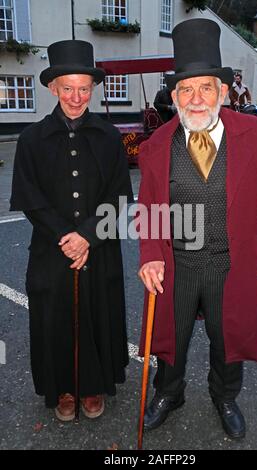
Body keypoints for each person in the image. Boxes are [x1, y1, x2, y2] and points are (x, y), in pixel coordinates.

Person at [137, 19, 257, 440]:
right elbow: (148, 208)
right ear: (174, 96)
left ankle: (225, 396)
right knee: (172, 339)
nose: (196, 98)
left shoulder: (256, 134)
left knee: (229, 339)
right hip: (178, 264)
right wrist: (150, 254)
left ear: (223, 92)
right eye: (186, 89)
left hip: (232, 262)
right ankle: (169, 393)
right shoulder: (155, 146)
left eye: (206, 87)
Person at [10, 40, 133, 421]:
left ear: (92, 89)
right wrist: (67, 237)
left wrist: (88, 236)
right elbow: (29, 198)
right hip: (51, 249)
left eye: (84, 88)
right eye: (68, 88)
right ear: (53, 88)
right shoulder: (31, 139)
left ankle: (94, 385)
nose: (76, 97)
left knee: (98, 313)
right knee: (54, 318)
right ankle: (62, 387)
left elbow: (119, 196)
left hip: (100, 247)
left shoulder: (110, 137)